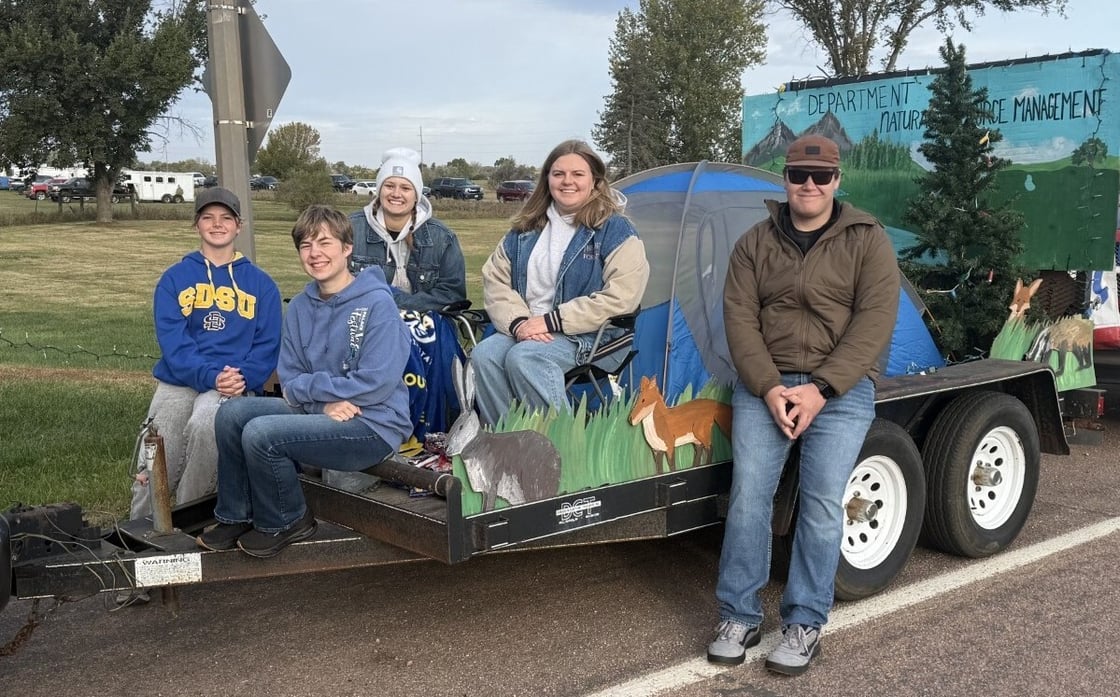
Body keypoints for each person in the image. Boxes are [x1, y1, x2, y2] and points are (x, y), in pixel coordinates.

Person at [709, 135, 899, 675]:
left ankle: (804, 621)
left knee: (819, 501)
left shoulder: (867, 239)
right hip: (763, 385)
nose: (809, 186)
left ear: (837, 181)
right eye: (798, 176)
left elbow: (874, 323)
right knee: (748, 495)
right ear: (785, 180)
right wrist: (769, 388)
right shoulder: (754, 242)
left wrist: (821, 389)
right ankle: (738, 614)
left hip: (838, 390)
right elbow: (739, 321)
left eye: (820, 177)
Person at [196, 205, 412, 558]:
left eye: (325, 243)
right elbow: (291, 379)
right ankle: (237, 514)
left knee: (262, 433)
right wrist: (321, 403)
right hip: (322, 412)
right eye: (306, 245)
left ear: (347, 248)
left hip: (374, 424)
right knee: (232, 414)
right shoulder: (298, 306)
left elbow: (376, 384)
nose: (315, 254)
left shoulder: (377, 305)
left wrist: (315, 394)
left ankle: (287, 519)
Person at [471, 139, 649, 427]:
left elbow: (621, 297)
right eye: (558, 174)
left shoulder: (616, 230)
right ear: (547, 180)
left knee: (527, 358)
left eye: (578, 174)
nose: (568, 181)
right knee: (485, 355)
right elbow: (495, 280)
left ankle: (562, 452)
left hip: (593, 335)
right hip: (528, 327)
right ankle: (507, 444)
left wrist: (552, 322)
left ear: (595, 181)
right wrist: (518, 323)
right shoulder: (525, 230)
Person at [129, 187, 282, 521]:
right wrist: (210, 375)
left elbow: (266, 347)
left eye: (226, 218)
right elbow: (174, 344)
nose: (217, 224)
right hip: (181, 379)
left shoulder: (262, 285)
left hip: (232, 383)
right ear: (196, 224)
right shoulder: (174, 279)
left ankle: (187, 518)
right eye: (208, 217)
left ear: (238, 226)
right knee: (158, 442)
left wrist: (239, 379)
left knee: (205, 424)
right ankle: (139, 526)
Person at [348, 147, 467, 312]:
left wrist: (394, 303)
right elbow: (336, 285)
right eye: (389, 185)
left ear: (417, 195)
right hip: (364, 326)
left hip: (424, 327)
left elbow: (453, 294)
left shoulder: (443, 238)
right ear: (379, 190)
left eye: (405, 188)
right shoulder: (350, 229)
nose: (396, 194)